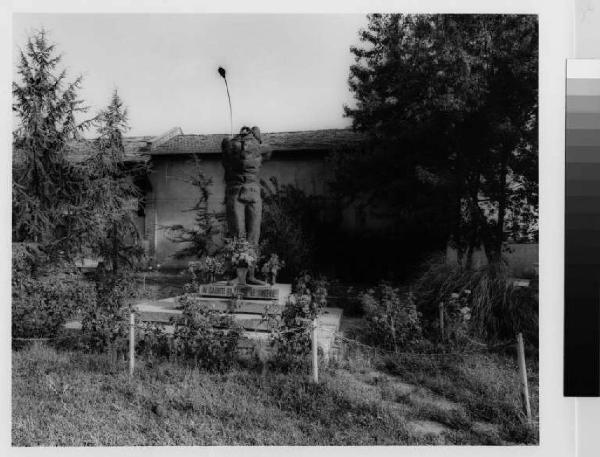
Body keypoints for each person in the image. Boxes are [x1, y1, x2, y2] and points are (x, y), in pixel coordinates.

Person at [221, 126, 272, 285]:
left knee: (253, 235)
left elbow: (268, 150)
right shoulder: (230, 147)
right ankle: (239, 276)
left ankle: (250, 275)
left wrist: (256, 137)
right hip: (236, 191)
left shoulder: (258, 148)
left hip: (251, 192)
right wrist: (256, 136)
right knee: (238, 234)